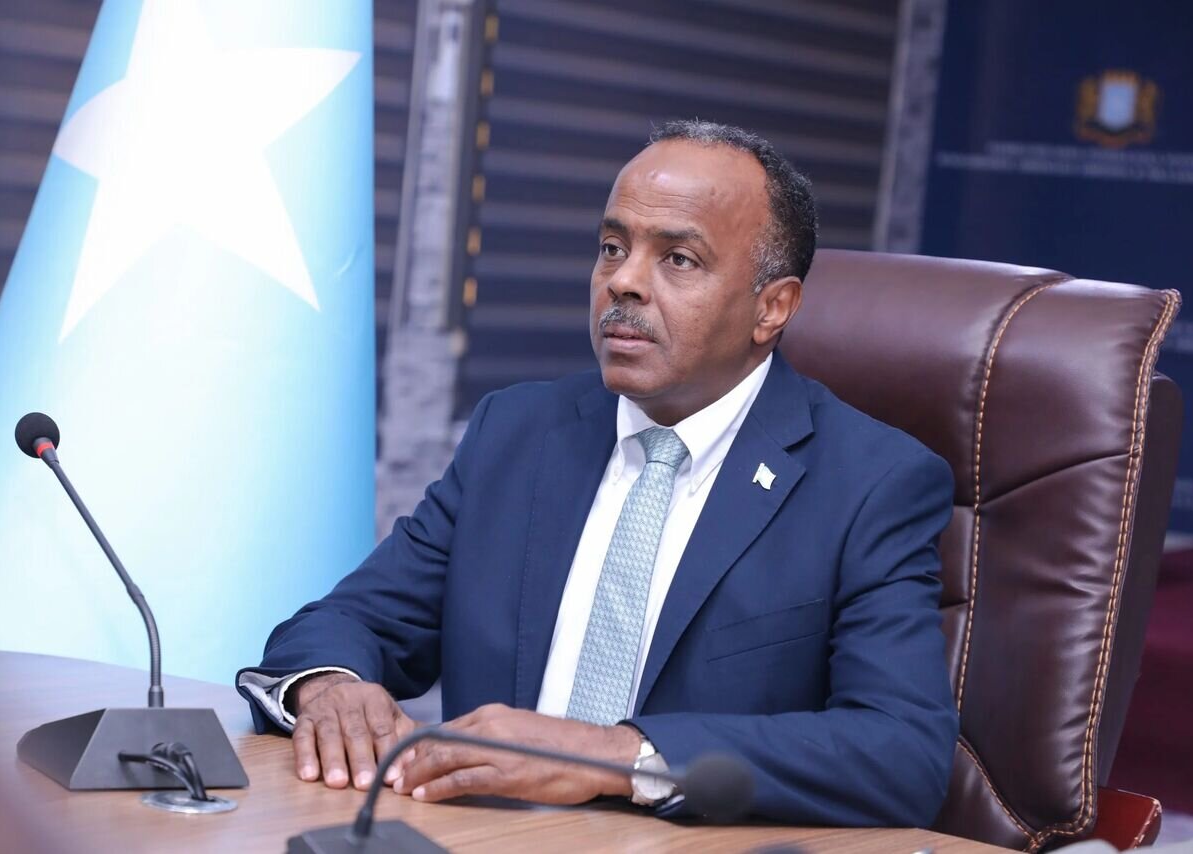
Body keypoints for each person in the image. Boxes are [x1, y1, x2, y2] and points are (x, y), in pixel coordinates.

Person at [237, 119, 958, 827]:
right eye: (613, 248)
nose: (624, 282)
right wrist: (329, 687)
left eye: (679, 259)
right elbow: (350, 621)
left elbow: (899, 753)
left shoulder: (869, 485)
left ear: (772, 308)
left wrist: (612, 756)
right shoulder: (516, 433)